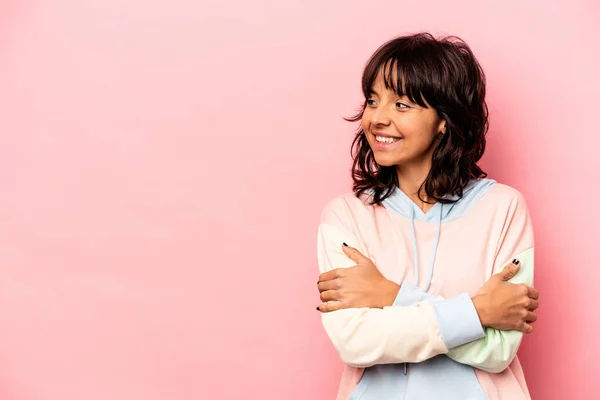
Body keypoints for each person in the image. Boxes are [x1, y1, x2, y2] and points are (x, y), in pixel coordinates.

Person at [315, 32, 539, 400]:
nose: (377, 119)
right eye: (373, 100)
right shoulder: (345, 216)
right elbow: (354, 342)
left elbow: (499, 352)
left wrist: (390, 295)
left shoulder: (503, 208)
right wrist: (479, 312)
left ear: (444, 120)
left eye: (401, 105)